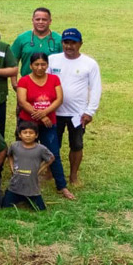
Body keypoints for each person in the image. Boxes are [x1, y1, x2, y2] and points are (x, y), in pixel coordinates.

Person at [17, 52, 74, 200]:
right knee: (25, 153)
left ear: (47, 65)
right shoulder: (24, 81)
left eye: (43, 64)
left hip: (49, 122)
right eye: (36, 64)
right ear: (30, 65)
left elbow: (59, 99)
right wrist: (42, 115)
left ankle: (62, 186)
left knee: (53, 153)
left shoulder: (54, 79)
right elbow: (22, 102)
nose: (40, 67)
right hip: (28, 124)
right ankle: (22, 183)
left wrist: (45, 113)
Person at [48, 28, 100, 186]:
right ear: (61, 43)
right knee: (51, 144)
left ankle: (73, 175)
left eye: (73, 43)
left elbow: (96, 88)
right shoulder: (52, 60)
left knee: (76, 144)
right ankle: (50, 172)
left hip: (77, 114)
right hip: (54, 112)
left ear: (80, 44)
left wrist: (89, 112)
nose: (69, 46)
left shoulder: (89, 64)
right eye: (66, 42)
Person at [2, 121, 54, 211]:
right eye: (25, 132)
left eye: (31, 133)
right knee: (4, 206)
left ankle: (27, 198)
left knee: (40, 209)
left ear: (36, 135)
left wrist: (40, 170)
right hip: (15, 187)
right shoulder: (14, 146)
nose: (28, 135)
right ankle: (18, 197)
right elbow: (9, 155)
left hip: (32, 189)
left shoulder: (41, 149)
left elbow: (51, 158)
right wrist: (12, 166)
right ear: (20, 135)